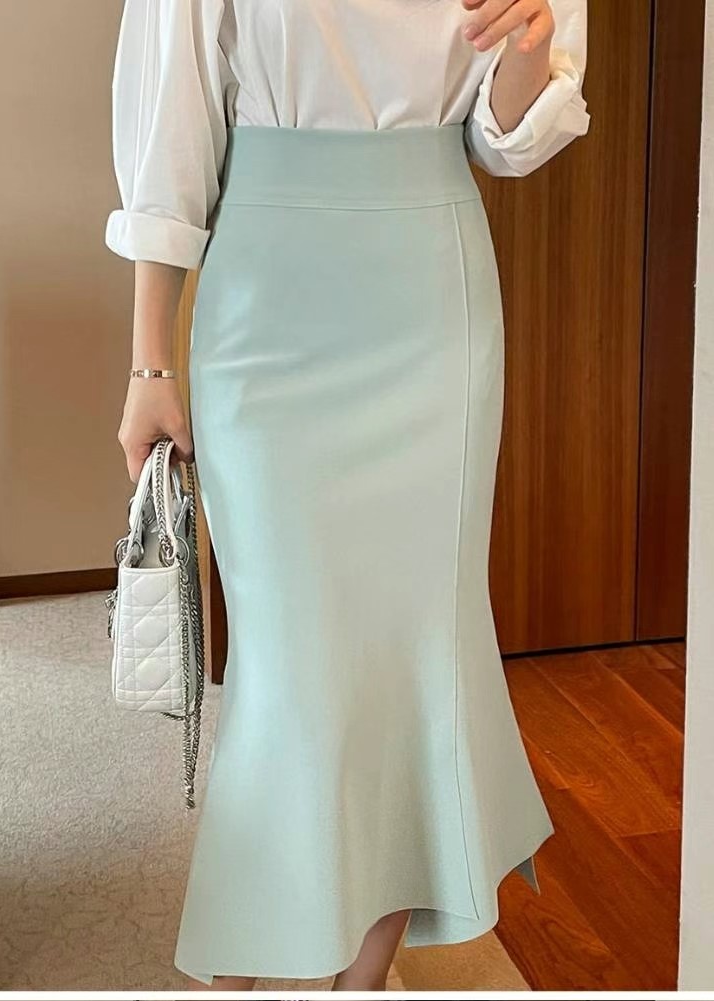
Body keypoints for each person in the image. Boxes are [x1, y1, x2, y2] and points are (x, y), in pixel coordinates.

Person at [105, 0, 590, 991]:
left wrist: (534, 45)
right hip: (265, 304)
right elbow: (171, 124)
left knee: (412, 671)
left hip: (432, 307)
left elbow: (504, 141)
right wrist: (150, 362)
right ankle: (242, 968)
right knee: (286, 680)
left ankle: (357, 983)